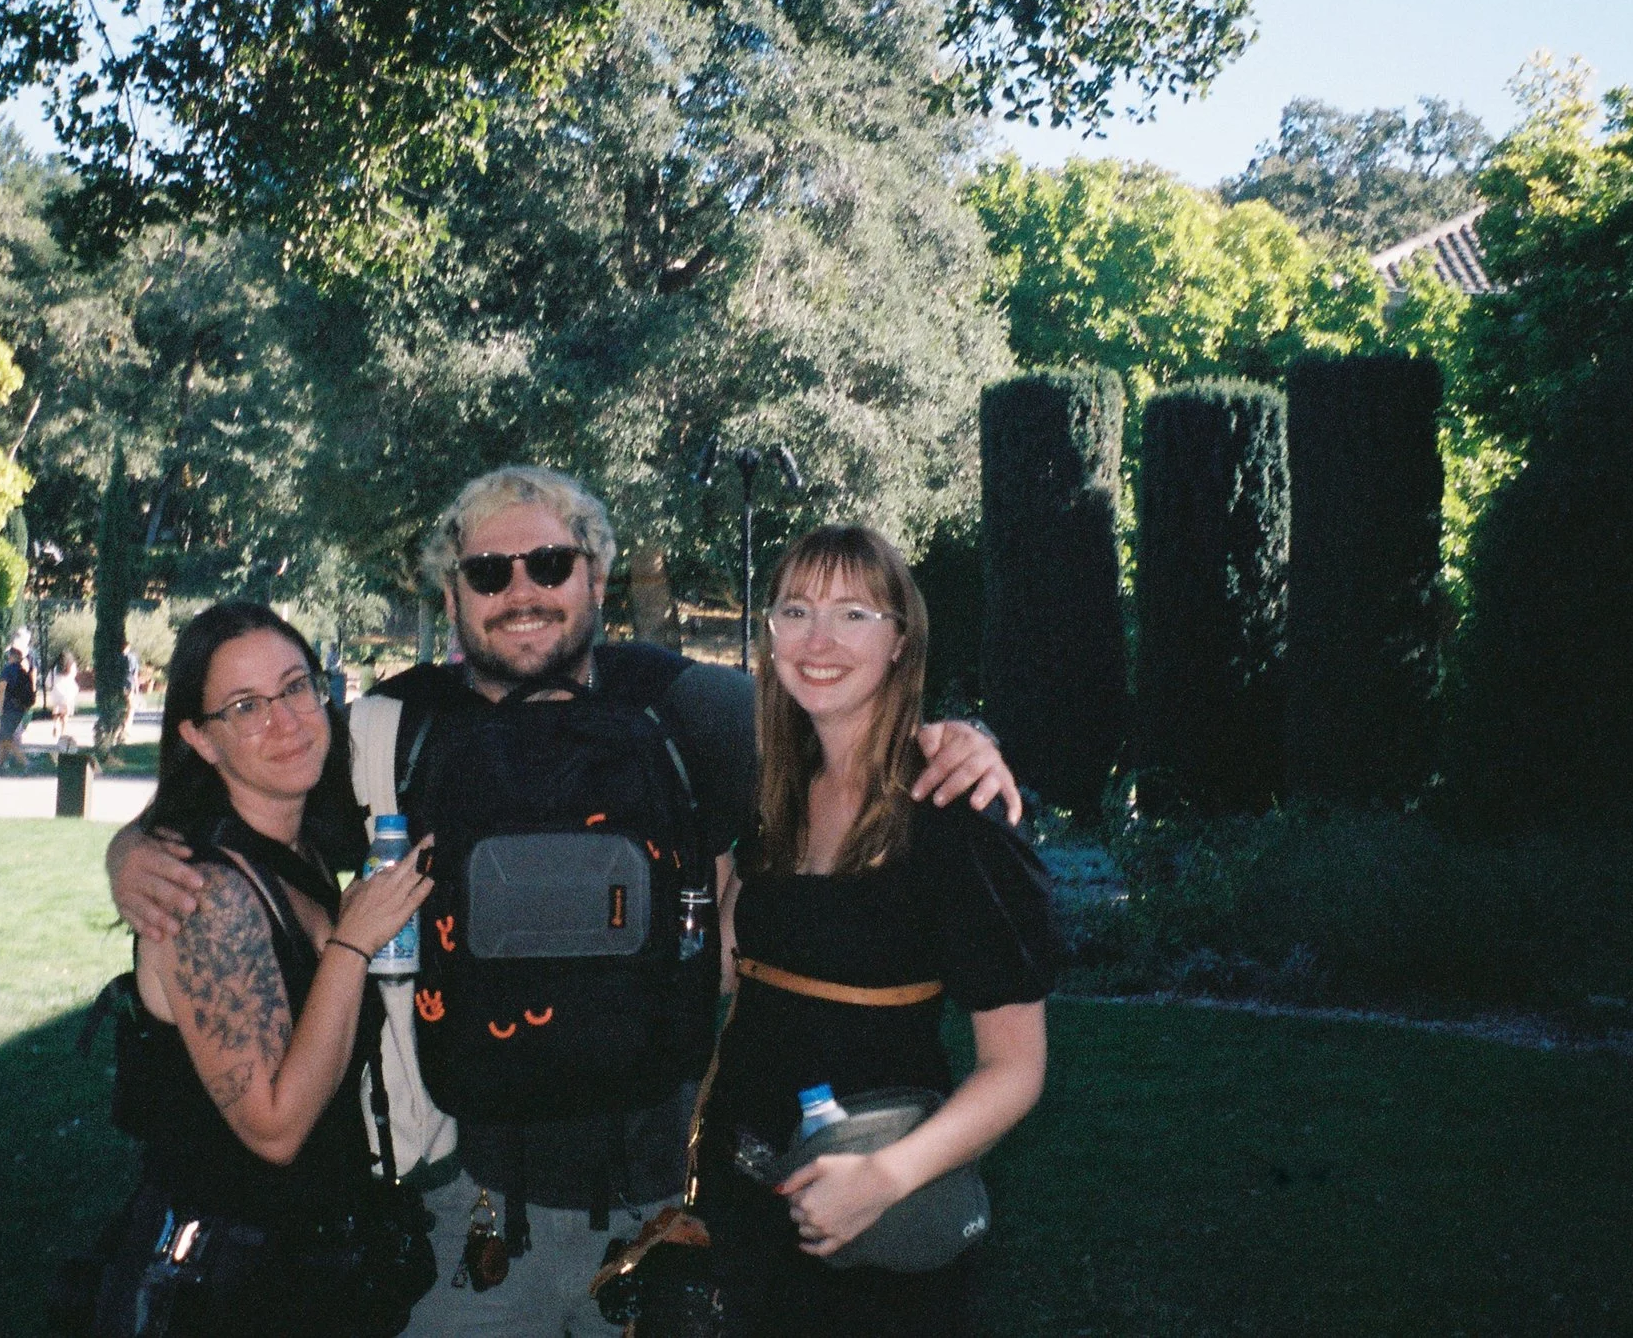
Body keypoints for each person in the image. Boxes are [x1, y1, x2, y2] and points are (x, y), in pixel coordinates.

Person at [109, 466, 1020, 1336]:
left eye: (549, 563)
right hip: (468, 1213)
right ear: (452, 595)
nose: (522, 591)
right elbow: (255, 784)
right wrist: (136, 849)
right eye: (488, 572)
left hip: (677, 1206)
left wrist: (954, 740)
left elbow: (837, 719)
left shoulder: (688, 710)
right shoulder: (394, 731)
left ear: (596, 576)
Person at [698, 526, 1061, 1334]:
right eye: (796, 611)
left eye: (853, 614)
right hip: (746, 1202)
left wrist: (885, 1179)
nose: (818, 640)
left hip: (875, 1223)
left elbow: (1017, 1069)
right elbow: (727, 970)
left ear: (901, 642)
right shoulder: (774, 795)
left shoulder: (951, 810)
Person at [86, 602, 434, 1336]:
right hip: (219, 1289)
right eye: (245, 706)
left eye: (296, 687)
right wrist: (351, 945)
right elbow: (275, 1130)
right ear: (199, 737)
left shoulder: (305, 842)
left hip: (303, 1268)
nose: (287, 722)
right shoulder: (207, 898)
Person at [0, 643, 34, 771]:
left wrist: (0, 707)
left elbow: (2, 688)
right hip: (20, 708)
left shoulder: (7, 670)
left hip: (9, 707)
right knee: (3, 737)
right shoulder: (23, 671)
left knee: (6, 738)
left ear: (12, 656)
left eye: (8, 655)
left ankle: (25, 762)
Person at [50, 650, 84, 751]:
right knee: (65, 712)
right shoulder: (71, 666)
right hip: (67, 690)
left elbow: (49, 680)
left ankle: (55, 724)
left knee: (56, 708)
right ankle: (63, 732)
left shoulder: (55, 668)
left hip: (56, 689)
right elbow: (73, 675)